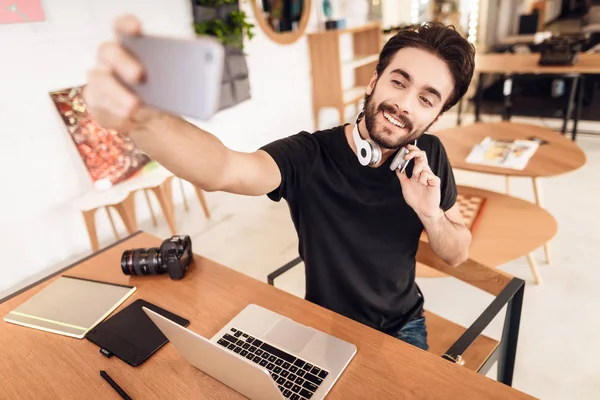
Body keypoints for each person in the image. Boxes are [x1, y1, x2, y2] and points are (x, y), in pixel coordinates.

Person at [84, 16, 476, 351]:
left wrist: (430, 214)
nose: (405, 104)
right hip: (325, 326)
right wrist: (146, 121)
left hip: (403, 326)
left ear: (436, 117)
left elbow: (456, 252)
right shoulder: (309, 155)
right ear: (374, 81)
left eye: (426, 99)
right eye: (399, 81)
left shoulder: (431, 157)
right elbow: (224, 169)